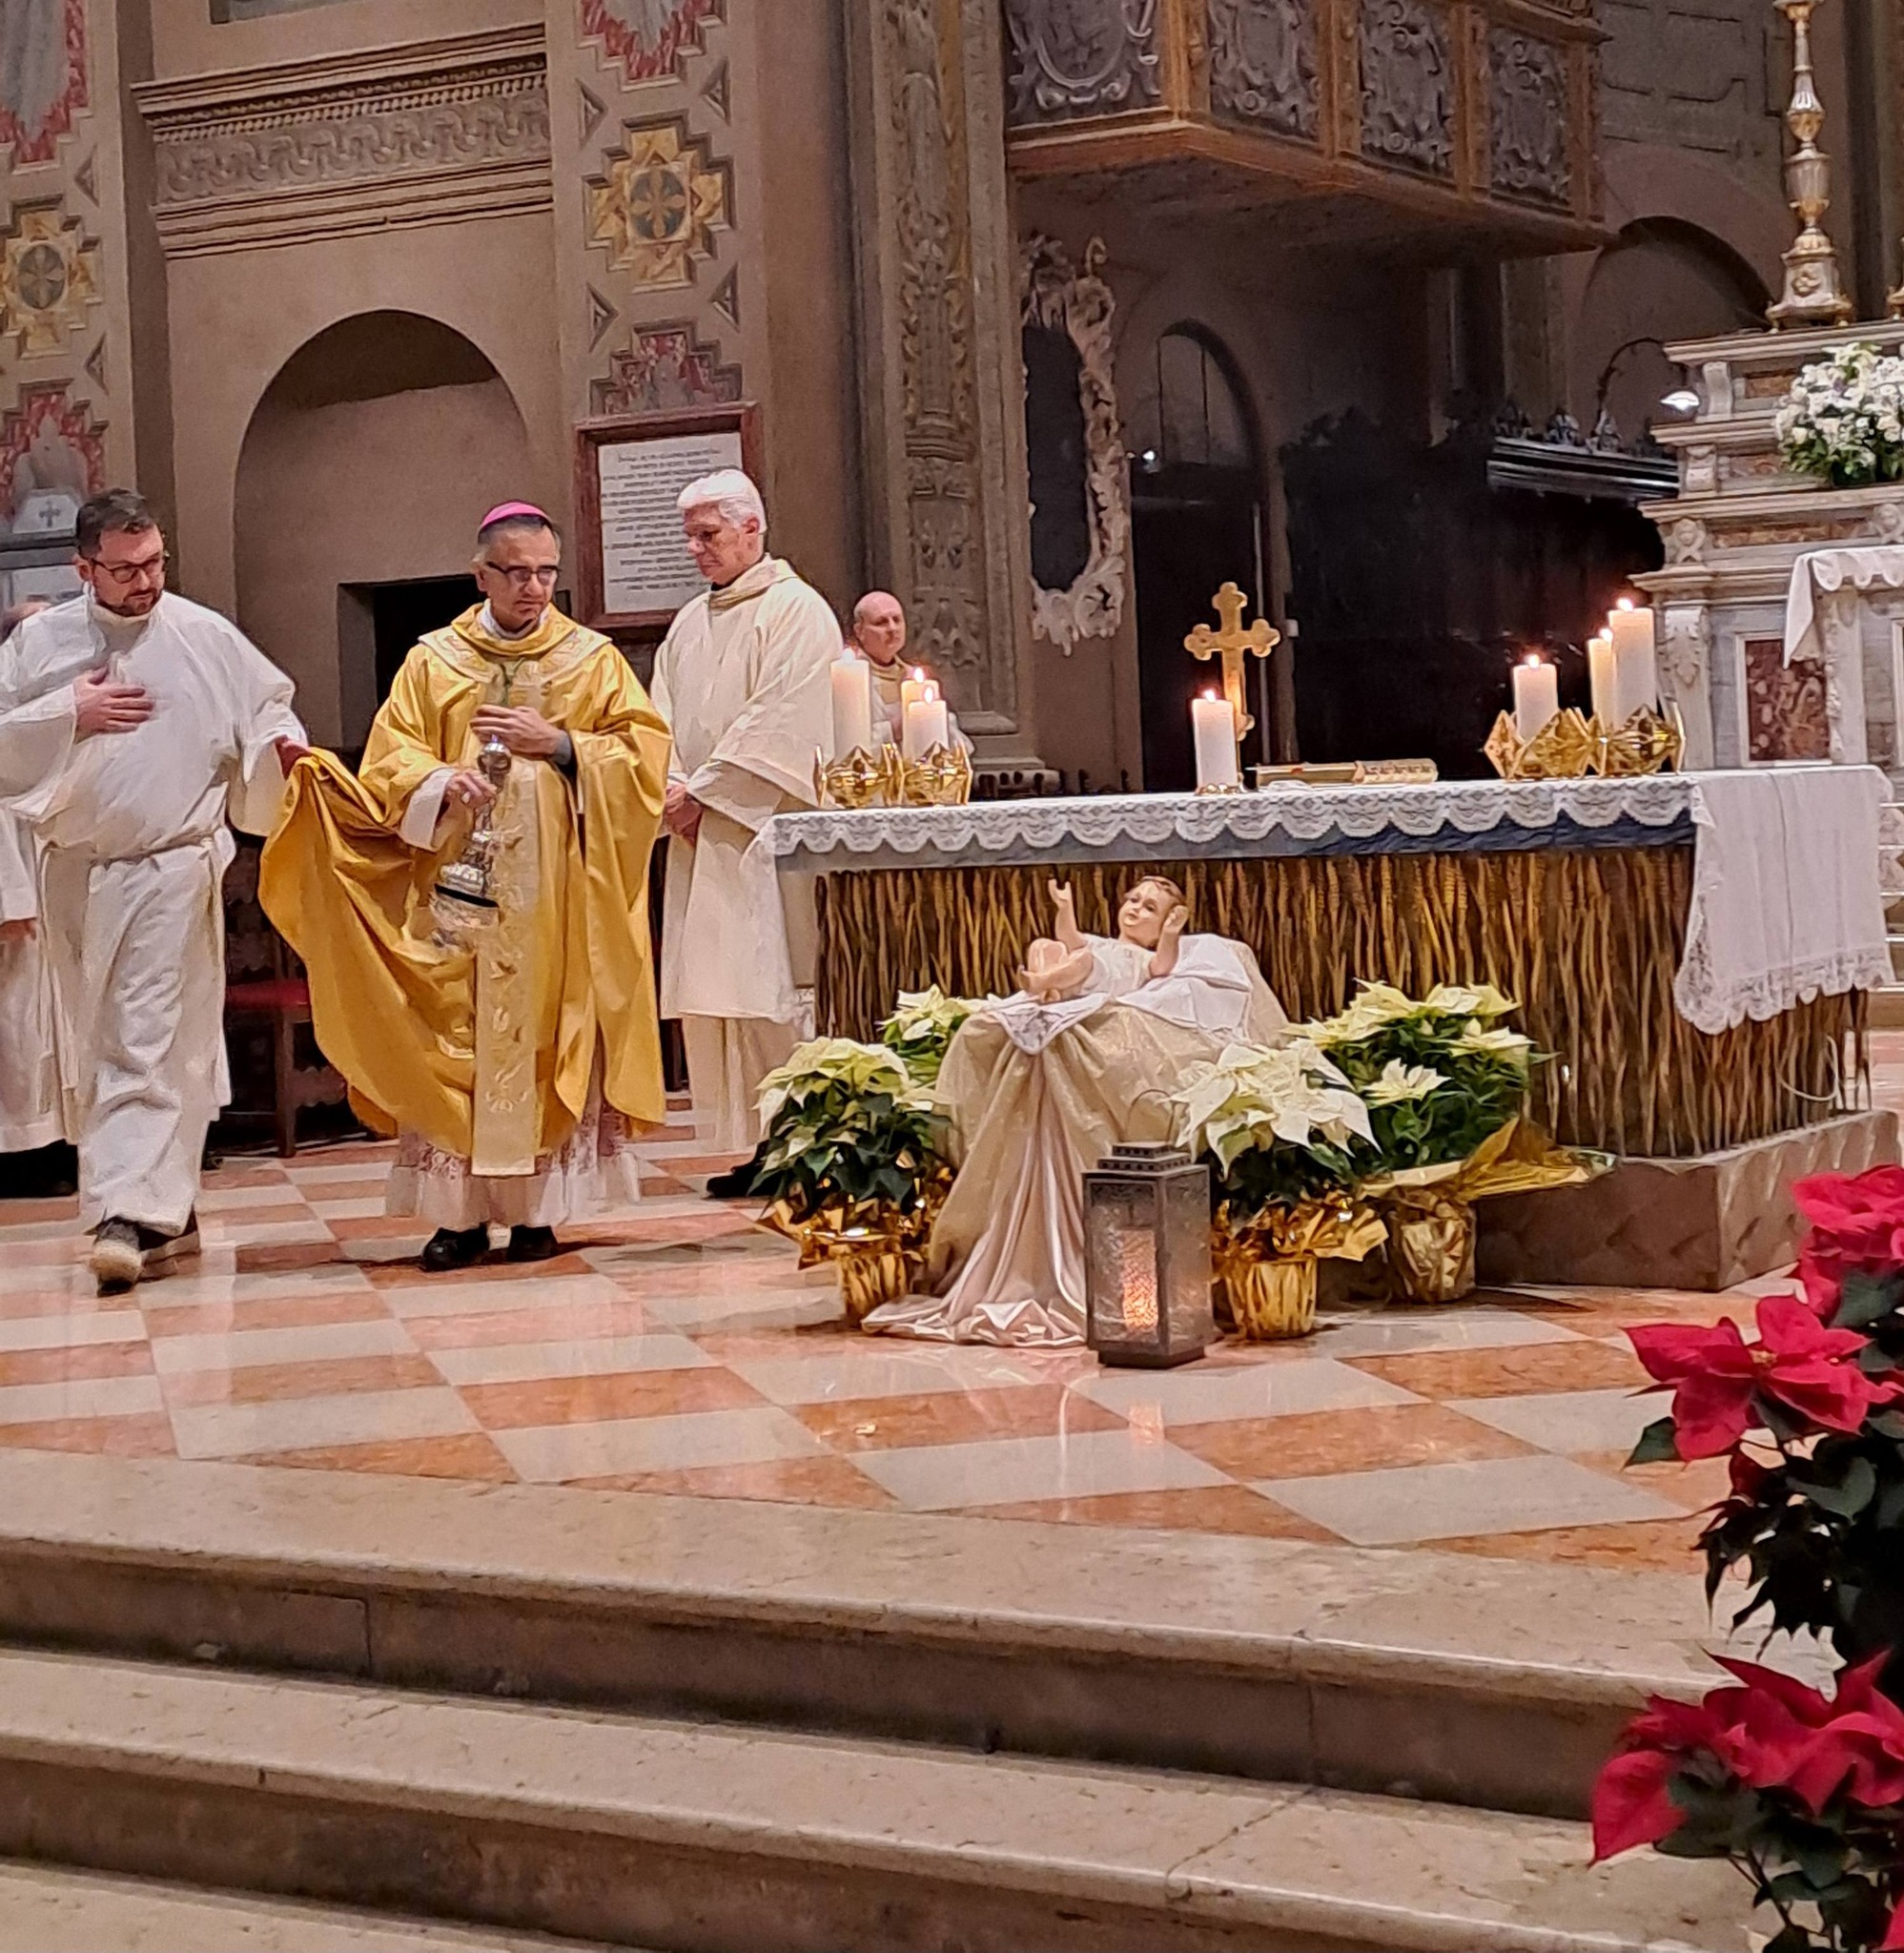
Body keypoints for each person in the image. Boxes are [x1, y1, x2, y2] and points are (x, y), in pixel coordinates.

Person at [262, 504, 670, 1272]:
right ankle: (458, 1218)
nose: (532, 588)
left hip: (553, 897)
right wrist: (438, 782)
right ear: (480, 575)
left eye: (545, 573)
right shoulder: (434, 661)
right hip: (457, 891)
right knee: (455, 1036)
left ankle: (537, 1214)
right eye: (515, 572)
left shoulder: (591, 660)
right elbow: (391, 758)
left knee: (544, 1037)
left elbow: (643, 758)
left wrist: (563, 745)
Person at [0, 492, 305, 1293]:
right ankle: (168, 1212)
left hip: (172, 865)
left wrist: (281, 751)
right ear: (84, 568)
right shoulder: (40, 643)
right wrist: (68, 711)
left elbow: (270, 713)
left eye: (155, 563)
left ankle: (126, 1216)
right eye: (126, 569)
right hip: (75, 871)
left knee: (144, 1034)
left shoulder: (205, 635)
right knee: (100, 1044)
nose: (146, 582)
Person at [863, 875, 1287, 1347]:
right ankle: (1046, 987)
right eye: (1132, 900)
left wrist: (1169, 933)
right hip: (1077, 977)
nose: (1135, 909)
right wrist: (1064, 908)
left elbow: (1164, 965)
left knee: (1081, 962)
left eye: (1150, 907)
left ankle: (1048, 987)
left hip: (1094, 988)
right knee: (1049, 946)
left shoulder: (1142, 960)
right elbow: (1069, 938)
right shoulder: (1100, 944)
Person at [651, 470, 838, 1181]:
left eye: (708, 534)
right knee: (723, 997)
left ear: (752, 528)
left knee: (772, 987)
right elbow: (658, 715)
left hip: (764, 832)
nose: (694, 549)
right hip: (702, 834)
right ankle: (761, 1143)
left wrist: (705, 793)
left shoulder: (797, 611)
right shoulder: (688, 623)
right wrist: (670, 787)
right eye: (689, 536)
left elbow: (784, 717)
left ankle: (806, 1140)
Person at [0, 600, 59, 1161]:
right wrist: (12, 901)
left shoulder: (60, 711)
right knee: (20, 1027)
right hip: (20, 904)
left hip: (63, 897)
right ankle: (24, 1152)